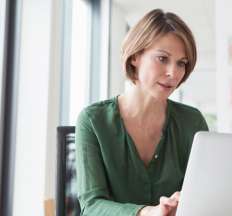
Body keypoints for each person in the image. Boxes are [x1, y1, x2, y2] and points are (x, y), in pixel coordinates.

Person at [75, 8, 209, 216]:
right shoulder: (93, 120)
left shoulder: (192, 122)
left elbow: (204, 195)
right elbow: (91, 206)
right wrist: (148, 213)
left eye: (181, 63)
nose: (173, 73)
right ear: (135, 56)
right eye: (162, 58)